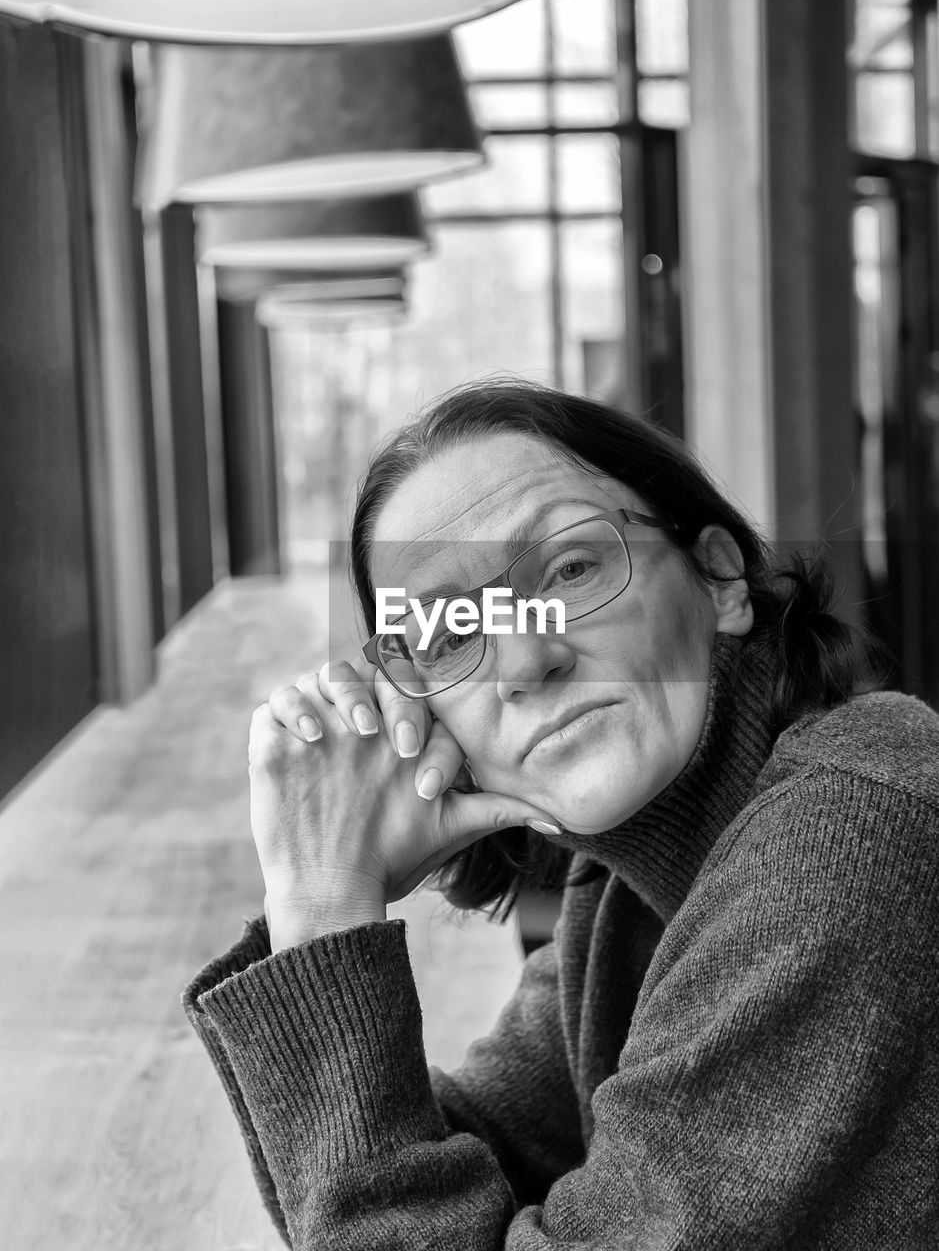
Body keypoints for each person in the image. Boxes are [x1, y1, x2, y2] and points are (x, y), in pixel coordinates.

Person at [183, 379, 939, 1249]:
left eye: (572, 569)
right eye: (450, 632)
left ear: (721, 578)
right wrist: (312, 908)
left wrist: (324, 916)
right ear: (422, 714)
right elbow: (398, 1181)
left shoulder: (849, 839)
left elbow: (381, 1212)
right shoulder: (622, 895)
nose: (526, 659)